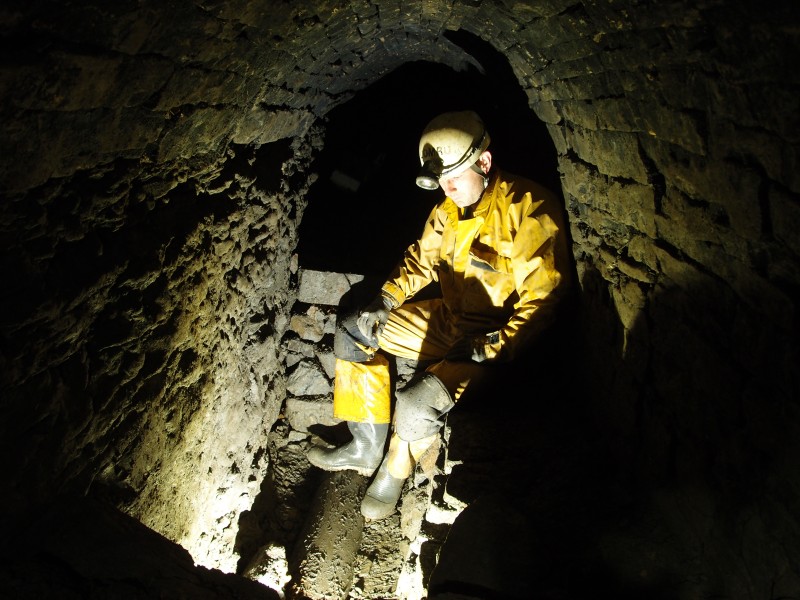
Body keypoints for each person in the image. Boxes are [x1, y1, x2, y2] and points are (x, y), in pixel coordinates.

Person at [307, 110, 572, 520]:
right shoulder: (449, 208)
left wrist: (490, 347)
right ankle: (364, 448)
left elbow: (543, 301)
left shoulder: (528, 209)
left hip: (497, 344)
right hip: (449, 320)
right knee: (354, 327)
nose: (447, 189)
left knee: (416, 404)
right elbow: (422, 260)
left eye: (454, 177)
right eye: (441, 180)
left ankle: (395, 468)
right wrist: (387, 299)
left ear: (484, 162)